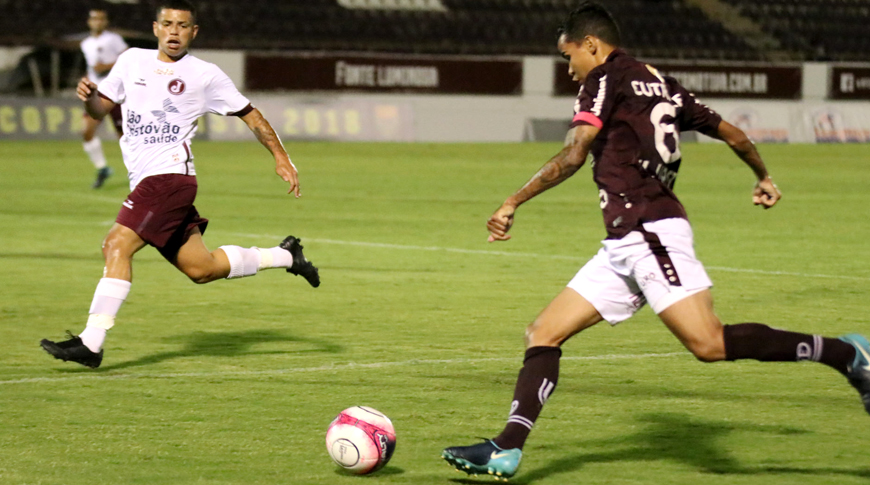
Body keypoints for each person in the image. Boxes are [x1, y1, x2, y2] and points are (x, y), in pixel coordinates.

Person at [441, 2, 870, 480]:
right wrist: (763, 175)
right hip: (626, 240)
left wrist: (512, 200)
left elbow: (574, 154)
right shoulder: (659, 81)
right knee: (543, 332)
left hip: (649, 230)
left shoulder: (602, 78)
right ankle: (506, 448)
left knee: (707, 343)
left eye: (569, 57)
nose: (569, 70)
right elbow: (733, 133)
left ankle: (848, 354)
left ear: (591, 44)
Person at [40, 0, 320, 369]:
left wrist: (281, 157)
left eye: (183, 25)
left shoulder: (206, 75)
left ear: (194, 32)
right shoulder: (130, 61)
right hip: (148, 179)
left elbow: (250, 114)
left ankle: (91, 343)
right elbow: (99, 110)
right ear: (155, 28)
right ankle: (286, 255)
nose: (174, 31)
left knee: (116, 244)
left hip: (169, 177)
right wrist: (91, 98)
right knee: (201, 269)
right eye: (168, 24)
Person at [80, 8, 128, 188]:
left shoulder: (113, 39)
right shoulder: (85, 43)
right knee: (86, 132)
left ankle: (138, 172)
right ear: (89, 22)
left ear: (105, 22)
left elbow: (127, 57)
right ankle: (102, 168)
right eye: (94, 19)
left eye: (101, 19)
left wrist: (106, 66)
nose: (97, 22)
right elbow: (92, 68)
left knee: (125, 137)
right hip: (96, 93)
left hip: (115, 92)